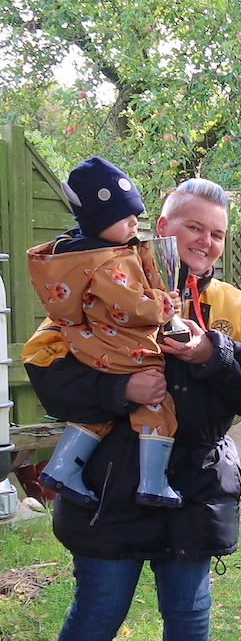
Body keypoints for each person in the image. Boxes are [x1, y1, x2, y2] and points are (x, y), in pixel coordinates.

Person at [23, 178, 241, 641]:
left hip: (193, 486)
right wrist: (119, 391)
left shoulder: (231, 305)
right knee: (97, 608)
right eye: (193, 226)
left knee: (189, 610)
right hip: (108, 485)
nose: (206, 241)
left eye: (217, 233)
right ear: (160, 225)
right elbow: (45, 365)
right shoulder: (102, 282)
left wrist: (211, 353)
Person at [26, 157, 181, 508]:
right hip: (126, 349)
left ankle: (63, 467)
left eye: (136, 214)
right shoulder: (110, 262)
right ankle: (153, 483)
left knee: (100, 416)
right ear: (98, 220)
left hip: (97, 347)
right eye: (123, 216)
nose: (133, 222)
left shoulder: (85, 257)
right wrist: (162, 304)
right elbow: (131, 307)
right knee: (157, 406)